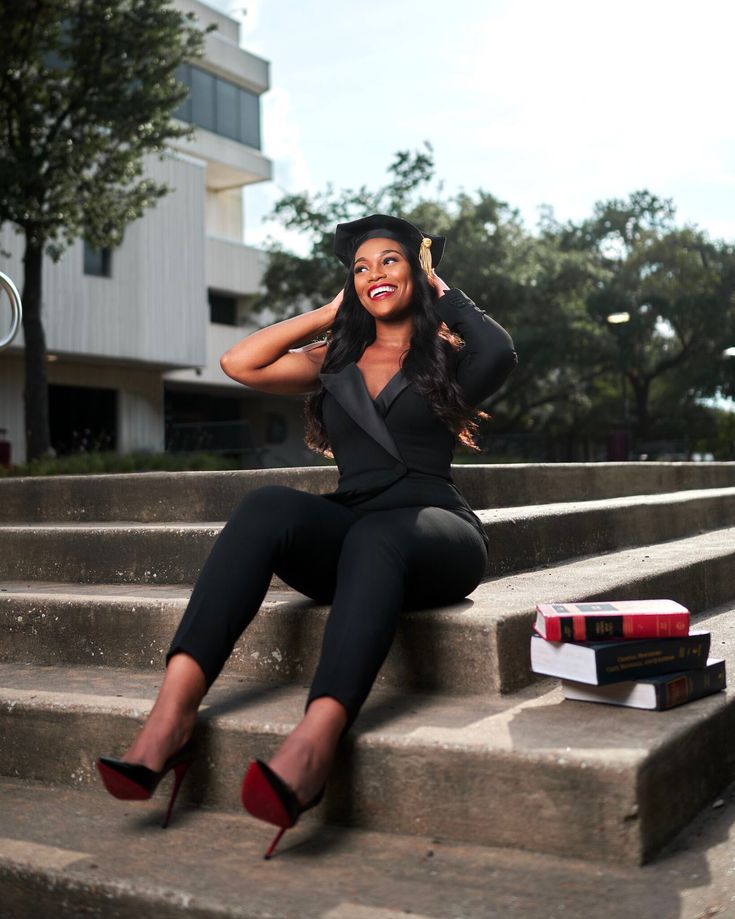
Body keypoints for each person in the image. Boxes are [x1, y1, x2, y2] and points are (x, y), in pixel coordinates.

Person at [96, 214, 517, 858]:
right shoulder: (334, 362)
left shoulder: (448, 357)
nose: (374, 274)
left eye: (390, 262)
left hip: (435, 532)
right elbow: (239, 362)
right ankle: (171, 719)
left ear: (417, 271)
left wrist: (440, 288)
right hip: (355, 531)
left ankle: (316, 744)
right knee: (266, 505)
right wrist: (328, 313)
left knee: (378, 537)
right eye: (361, 267)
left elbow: (501, 350)